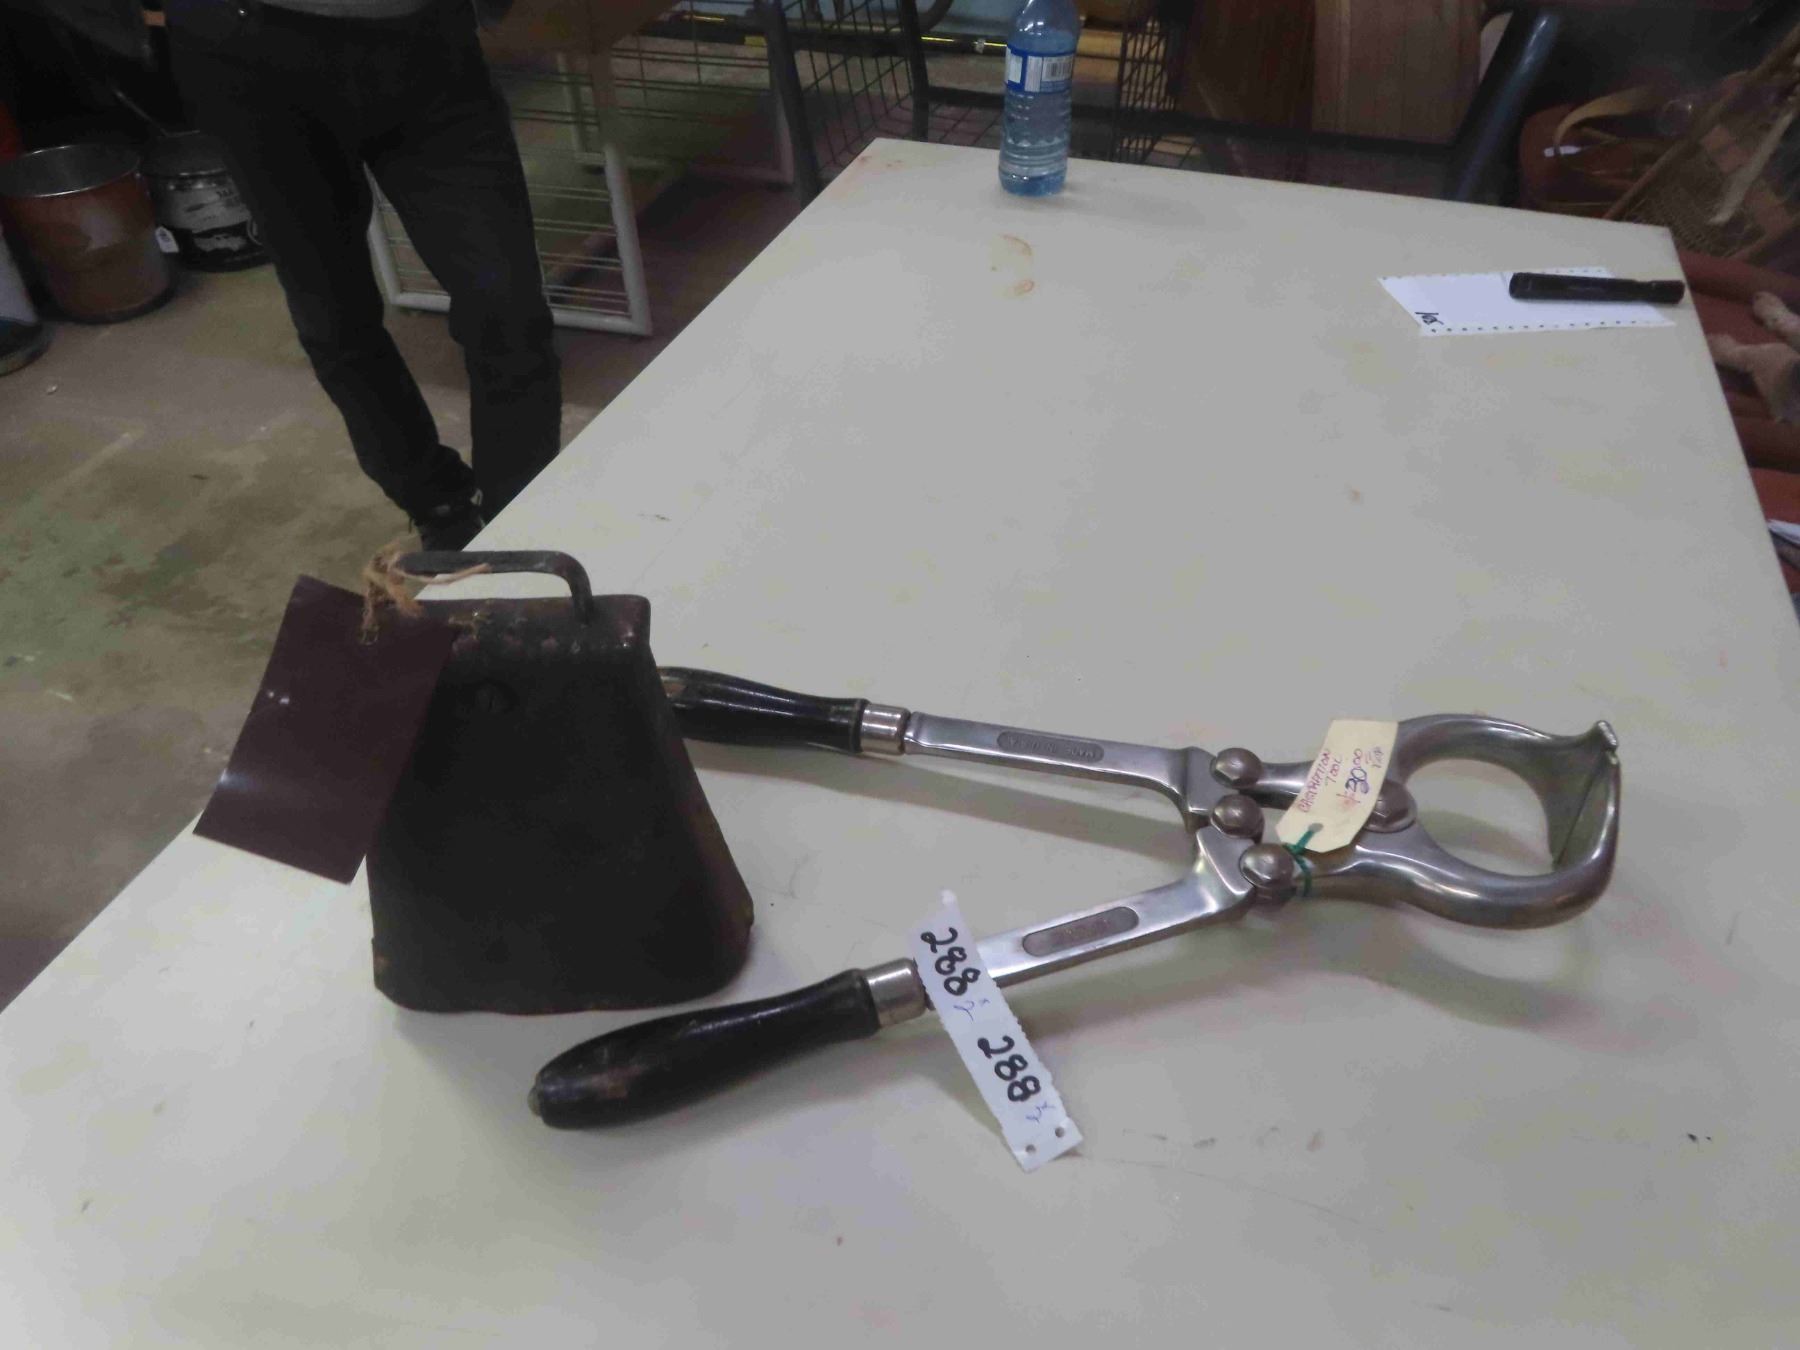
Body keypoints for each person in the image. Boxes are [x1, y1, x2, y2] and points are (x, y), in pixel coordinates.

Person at [162, 0, 560, 549]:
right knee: (333, 316)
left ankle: (517, 529)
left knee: (507, 306)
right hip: (248, 53)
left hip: (425, 40)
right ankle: (439, 507)